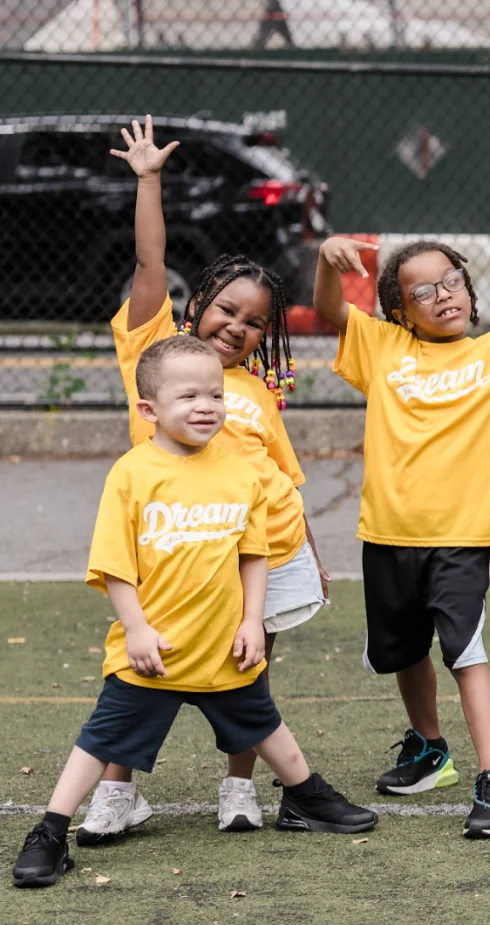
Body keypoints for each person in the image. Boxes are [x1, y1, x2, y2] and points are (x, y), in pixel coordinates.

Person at [12, 336, 375, 889]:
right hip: (155, 649)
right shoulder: (132, 474)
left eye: (215, 393)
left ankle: (307, 800)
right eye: (188, 396)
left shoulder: (239, 473)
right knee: (101, 740)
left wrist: (253, 620)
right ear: (149, 410)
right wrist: (136, 628)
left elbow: (255, 555)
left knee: (264, 723)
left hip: (222, 644)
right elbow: (114, 565)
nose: (206, 405)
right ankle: (50, 832)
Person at [84, 116, 329, 841]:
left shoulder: (252, 393)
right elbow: (150, 259)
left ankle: (239, 789)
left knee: (248, 675)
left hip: (249, 558)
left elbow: (282, 481)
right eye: (226, 309)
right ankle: (116, 793)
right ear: (197, 304)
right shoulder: (155, 348)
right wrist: (149, 180)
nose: (237, 326)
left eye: (254, 322)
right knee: (139, 671)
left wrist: (307, 553)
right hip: (165, 554)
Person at [311, 219, 490, 839]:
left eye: (452, 281)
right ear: (400, 312)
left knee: (464, 652)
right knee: (404, 650)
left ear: (470, 289)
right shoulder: (382, 348)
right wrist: (326, 261)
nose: (444, 295)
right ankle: (430, 750)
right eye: (424, 291)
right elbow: (329, 312)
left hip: (462, 535)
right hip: (388, 533)